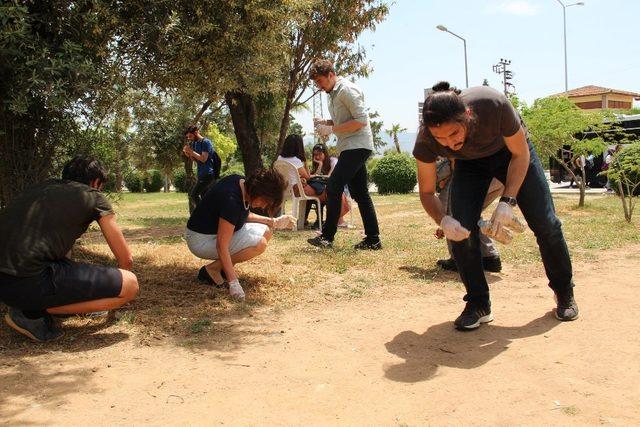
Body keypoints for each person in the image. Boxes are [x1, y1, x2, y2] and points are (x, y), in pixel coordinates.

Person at [414, 81, 579, 331]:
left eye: (454, 133)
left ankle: (564, 291)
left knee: (546, 223)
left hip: (511, 153)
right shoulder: (426, 140)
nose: (449, 143)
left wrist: (508, 201)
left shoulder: (492, 105)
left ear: (467, 117)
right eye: (441, 138)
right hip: (470, 165)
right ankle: (478, 304)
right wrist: (443, 220)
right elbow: (426, 192)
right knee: (460, 230)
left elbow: (520, 155)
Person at [0, 156, 139, 342]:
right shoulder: (93, 195)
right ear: (96, 181)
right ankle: (31, 312)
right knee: (130, 284)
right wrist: (113, 292)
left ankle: (34, 305)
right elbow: (126, 259)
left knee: (66, 269)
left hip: (5, 285)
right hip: (28, 282)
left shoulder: (41, 188)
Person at [184, 168, 292, 301]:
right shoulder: (231, 199)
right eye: (265, 201)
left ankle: (221, 267)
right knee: (260, 244)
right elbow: (221, 245)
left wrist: (273, 222)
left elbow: (241, 215)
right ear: (259, 191)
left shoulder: (240, 183)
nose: (263, 206)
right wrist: (233, 283)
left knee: (266, 230)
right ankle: (212, 270)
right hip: (200, 240)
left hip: (207, 234)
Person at [307, 59, 381, 249]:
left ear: (331, 75)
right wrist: (325, 122)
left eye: (321, 82)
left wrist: (331, 130)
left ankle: (327, 237)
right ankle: (373, 239)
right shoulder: (333, 93)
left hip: (357, 145)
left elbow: (361, 121)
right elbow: (343, 119)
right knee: (361, 193)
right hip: (349, 145)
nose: (319, 86)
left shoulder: (347, 90)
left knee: (333, 186)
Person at [435, 157, 504, 273]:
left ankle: (458, 260)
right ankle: (490, 258)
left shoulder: (447, 158)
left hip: (481, 176)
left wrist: (443, 223)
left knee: (455, 214)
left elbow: (446, 211)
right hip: (499, 177)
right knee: (472, 214)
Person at [183, 125, 219, 206]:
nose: (189, 138)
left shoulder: (206, 142)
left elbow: (203, 159)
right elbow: (197, 159)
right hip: (201, 174)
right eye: (188, 137)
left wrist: (191, 151)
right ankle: (208, 215)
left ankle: (201, 214)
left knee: (194, 195)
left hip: (208, 174)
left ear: (196, 132)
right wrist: (188, 154)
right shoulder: (195, 143)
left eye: (190, 136)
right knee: (205, 198)